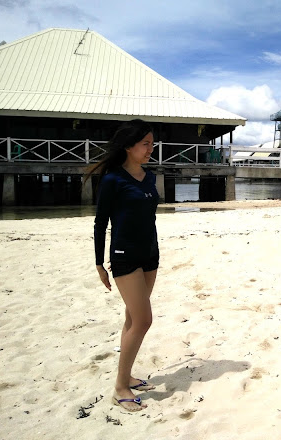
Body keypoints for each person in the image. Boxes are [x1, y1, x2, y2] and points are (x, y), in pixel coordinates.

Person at [84, 119, 159, 412]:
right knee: (143, 321)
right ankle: (119, 388)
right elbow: (100, 223)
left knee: (132, 318)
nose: (150, 149)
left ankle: (126, 376)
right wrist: (99, 263)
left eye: (152, 143)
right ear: (128, 146)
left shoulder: (150, 177)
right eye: (145, 144)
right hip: (124, 256)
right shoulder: (113, 180)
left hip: (150, 255)